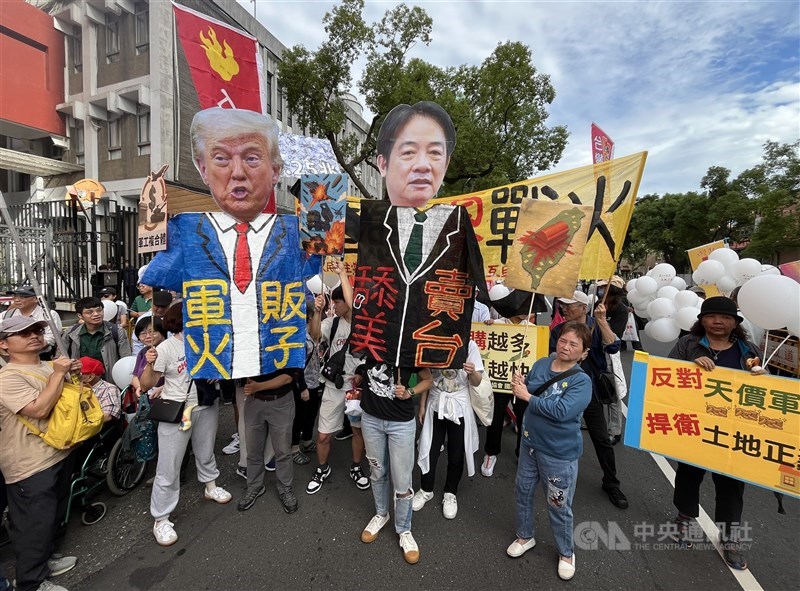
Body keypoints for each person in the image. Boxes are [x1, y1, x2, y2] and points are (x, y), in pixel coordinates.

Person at [355, 101, 482, 565]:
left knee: (403, 470)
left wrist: (418, 388)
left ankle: (405, 528)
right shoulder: (367, 239)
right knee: (376, 467)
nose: (423, 164)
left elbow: (433, 369)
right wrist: (337, 281)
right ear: (383, 163)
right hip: (370, 410)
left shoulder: (457, 235)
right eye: (409, 152)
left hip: (403, 414)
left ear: (446, 164)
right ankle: (380, 514)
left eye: (436, 153)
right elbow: (353, 309)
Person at [141, 107, 314, 380]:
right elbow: (155, 275)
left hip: (274, 353)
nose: (238, 173)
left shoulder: (298, 237)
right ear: (203, 169)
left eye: (253, 158)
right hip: (218, 355)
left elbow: (323, 261)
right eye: (221, 158)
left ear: (275, 171)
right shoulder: (186, 235)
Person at [667, 296, 765, 571]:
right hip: (695, 424)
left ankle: (730, 536)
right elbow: (665, 376)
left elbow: (762, 388)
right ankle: (684, 518)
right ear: (702, 321)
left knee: (732, 484)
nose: (718, 322)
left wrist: (763, 378)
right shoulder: (687, 345)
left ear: (735, 323)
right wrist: (691, 366)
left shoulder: (749, 350)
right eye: (711, 317)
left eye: (725, 318)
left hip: (734, 430)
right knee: (688, 474)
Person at [0, 316, 82, 591]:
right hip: (29, 462)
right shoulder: (7, 378)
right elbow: (37, 410)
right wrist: (59, 375)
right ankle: (31, 583)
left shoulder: (49, 365)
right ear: (3, 345)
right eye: (23, 333)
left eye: (37, 330)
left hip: (60, 450)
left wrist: (75, 376)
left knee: (52, 515)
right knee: (33, 524)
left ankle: (45, 560)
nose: (34, 335)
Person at [139, 302, 231, 546]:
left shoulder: (208, 341)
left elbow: (223, 368)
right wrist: (149, 362)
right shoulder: (167, 347)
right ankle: (161, 518)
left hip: (206, 404)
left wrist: (219, 373)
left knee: (205, 450)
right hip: (179, 410)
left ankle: (210, 486)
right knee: (169, 465)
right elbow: (147, 384)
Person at [507, 321, 593, 581]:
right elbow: (532, 387)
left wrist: (527, 396)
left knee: (558, 503)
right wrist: (522, 384)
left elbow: (562, 412)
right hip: (530, 443)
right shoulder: (542, 363)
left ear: (584, 352)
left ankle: (566, 552)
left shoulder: (582, 381)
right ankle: (525, 536)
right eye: (563, 341)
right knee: (522, 491)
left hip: (558, 454)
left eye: (574, 344)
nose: (566, 347)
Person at [550, 291, 629, 510]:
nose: (564, 309)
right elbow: (550, 356)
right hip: (564, 391)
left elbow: (613, 346)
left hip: (590, 392)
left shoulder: (596, 325)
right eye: (562, 305)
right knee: (558, 436)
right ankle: (553, 478)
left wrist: (603, 322)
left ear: (584, 307)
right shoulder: (558, 330)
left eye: (569, 305)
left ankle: (611, 483)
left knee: (601, 439)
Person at [307, 265, 369, 496]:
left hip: (355, 388)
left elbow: (353, 305)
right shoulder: (332, 323)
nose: (335, 306)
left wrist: (343, 274)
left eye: (338, 302)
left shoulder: (357, 321)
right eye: (333, 303)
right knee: (323, 435)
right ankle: (322, 469)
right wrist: (316, 310)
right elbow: (314, 335)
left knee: (357, 431)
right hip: (333, 386)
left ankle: (355, 467)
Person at [413, 340, 483, 519]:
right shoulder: (432, 340)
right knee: (429, 447)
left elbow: (476, 381)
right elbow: (427, 378)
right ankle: (426, 489)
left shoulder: (470, 345)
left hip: (459, 404)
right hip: (436, 401)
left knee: (456, 451)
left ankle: (450, 492)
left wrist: (472, 371)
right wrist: (422, 405)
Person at [65, 297, 131, 382]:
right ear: (80, 315)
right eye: (90, 312)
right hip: (80, 382)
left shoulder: (117, 331)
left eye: (99, 310)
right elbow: (60, 358)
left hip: (108, 381)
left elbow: (126, 359)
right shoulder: (71, 332)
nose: (96, 314)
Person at [1, 286, 62, 361]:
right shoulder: (6, 315)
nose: (16, 300)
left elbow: (50, 339)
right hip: (12, 358)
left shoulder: (49, 315)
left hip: (41, 358)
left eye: (22, 297)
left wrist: (27, 349)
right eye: (15, 297)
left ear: (35, 299)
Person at [78, 357, 121, 422]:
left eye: (78, 374)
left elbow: (108, 416)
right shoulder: (73, 386)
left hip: (94, 429)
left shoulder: (108, 389)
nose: (74, 376)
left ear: (90, 377)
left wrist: (83, 423)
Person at [130, 290, 172, 356]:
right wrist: (138, 359)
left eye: (163, 307)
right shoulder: (144, 318)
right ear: (152, 303)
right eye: (157, 306)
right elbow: (137, 343)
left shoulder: (174, 319)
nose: (160, 309)